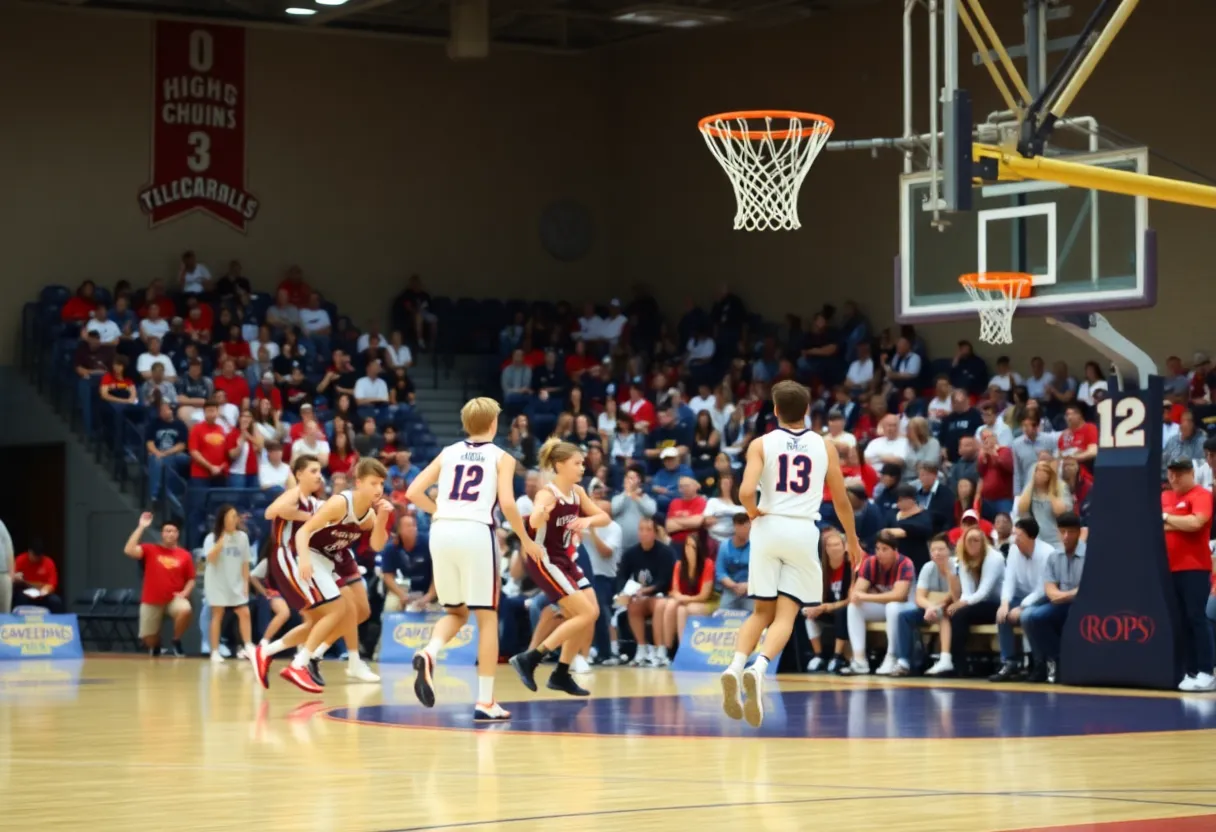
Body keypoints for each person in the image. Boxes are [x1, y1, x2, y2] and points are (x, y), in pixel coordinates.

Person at [721, 380, 861, 727]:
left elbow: (744, 491)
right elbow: (841, 500)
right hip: (802, 529)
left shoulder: (761, 443)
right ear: (808, 410)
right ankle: (760, 666)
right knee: (786, 615)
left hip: (768, 529)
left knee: (759, 611)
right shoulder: (824, 444)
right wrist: (853, 541)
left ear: (775, 410)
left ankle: (735, 665)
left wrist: (753, 513)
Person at [405, 398, 545, 720]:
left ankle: (429, 651)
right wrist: (524, 539)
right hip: (476, 532)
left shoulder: (449, 451)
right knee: (486, 618)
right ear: (494, 424)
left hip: (441, 532)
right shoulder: (501, 457)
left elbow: (413, 492)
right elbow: (508, 504)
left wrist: (440, 511)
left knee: (454, 611)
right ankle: (485, 701)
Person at [509, 439, 610, 697]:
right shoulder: (547, 493)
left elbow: (604, 517)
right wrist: (540, 514)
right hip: (546, 560)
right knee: (584, 614)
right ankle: (531, 658)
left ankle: (561, 674)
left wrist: (586, 520)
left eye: (582, 463)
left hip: (567, 560)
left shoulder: (578, 492)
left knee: (591, 613)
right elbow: (534, 517)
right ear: (560, 465)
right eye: (577, 463)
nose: (582, 467)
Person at [286, 458, 392, 691]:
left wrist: (382, 518)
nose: (378, 489)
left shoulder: (371, 515)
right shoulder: (339, 503)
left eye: (382, 484)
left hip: (337, 555)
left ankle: (316, 654)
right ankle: (305, 659)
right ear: (359, 482)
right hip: (315, 554)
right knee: (341, 610)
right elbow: (304, 531)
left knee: (362, 612)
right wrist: (303, 559)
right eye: (373, 483)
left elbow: (377, 546)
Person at [251, 455, 331, 690]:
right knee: (326, 614)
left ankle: (267, 652)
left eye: (319, 471)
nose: (319, 475)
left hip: (294, 559)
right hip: (286, 557)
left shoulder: (310, 499)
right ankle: (296, 662)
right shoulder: (294, 494)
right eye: (313, 471)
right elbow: (270, 512)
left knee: (316, 619)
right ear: (299, 474)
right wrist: (304, 516)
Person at [1162, 458, 1216, 691]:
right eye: (1172, 474)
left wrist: (1166, 519)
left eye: (1180, 474)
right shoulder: (1164, 496)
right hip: (1169, 568)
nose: (1175, 478)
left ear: (1191, 473)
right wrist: (1179, 522)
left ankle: (1207, 670)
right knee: (1182, 620)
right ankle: (1191, 670)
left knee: (1197, 618)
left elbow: (1197, 522)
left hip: (1195, 566)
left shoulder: (1201, 495)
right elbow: (1157, 525)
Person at [1019, 512, 1086, 684]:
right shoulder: (1054, 556)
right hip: (1061, 603)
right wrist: (1065, 595)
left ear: (1079, 532)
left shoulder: (1089, 554)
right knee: (1031, 616)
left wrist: (1062, 595)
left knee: (1070, 612)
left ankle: (1062, 660)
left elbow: (1086, 590)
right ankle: (1053, 659)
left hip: (1083, 604)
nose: (1066, 536)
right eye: (1062, 531)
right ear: (1057, 532)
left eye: (1070, 532)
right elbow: (1049, 589)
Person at [123, 515, 195, 656]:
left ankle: (176, 640)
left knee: (185, 609)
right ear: (162, 534)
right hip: (152, 599)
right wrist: (141, 527)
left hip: (174, 598)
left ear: (177, 534)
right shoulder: (150, 549)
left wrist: (185, 592)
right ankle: (156, 644)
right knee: (148, 639)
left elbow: (191, 579)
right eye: (167, 531)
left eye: (173, 531)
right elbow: (129, 550)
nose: (170, 534)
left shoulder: (185, 555)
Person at [201, 505, 255, 663]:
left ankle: (248, 646)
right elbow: (209, 558)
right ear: (223, 519)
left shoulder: (242, 537)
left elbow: (245, 562)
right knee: (218, 615)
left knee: (244, 612)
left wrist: (245, 584)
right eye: (231, 516)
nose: (235, 519)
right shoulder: (211, 538)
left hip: (236, 582)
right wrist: (222, 540)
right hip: (217, 583)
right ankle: (215, 651)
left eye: (235, 516)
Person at [803, 528, 854, 673]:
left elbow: (850, 599)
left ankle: (837, 656)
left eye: (837, 545)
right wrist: (815, 607)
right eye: (829, 546)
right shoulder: (821, 568)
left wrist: (826, 607)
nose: (833, 549)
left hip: (845, 609)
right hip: (827, 608)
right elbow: (816, 596)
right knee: (808, 613)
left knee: (841, 612)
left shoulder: (851, 568)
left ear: (844, 547)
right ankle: (818, 655)